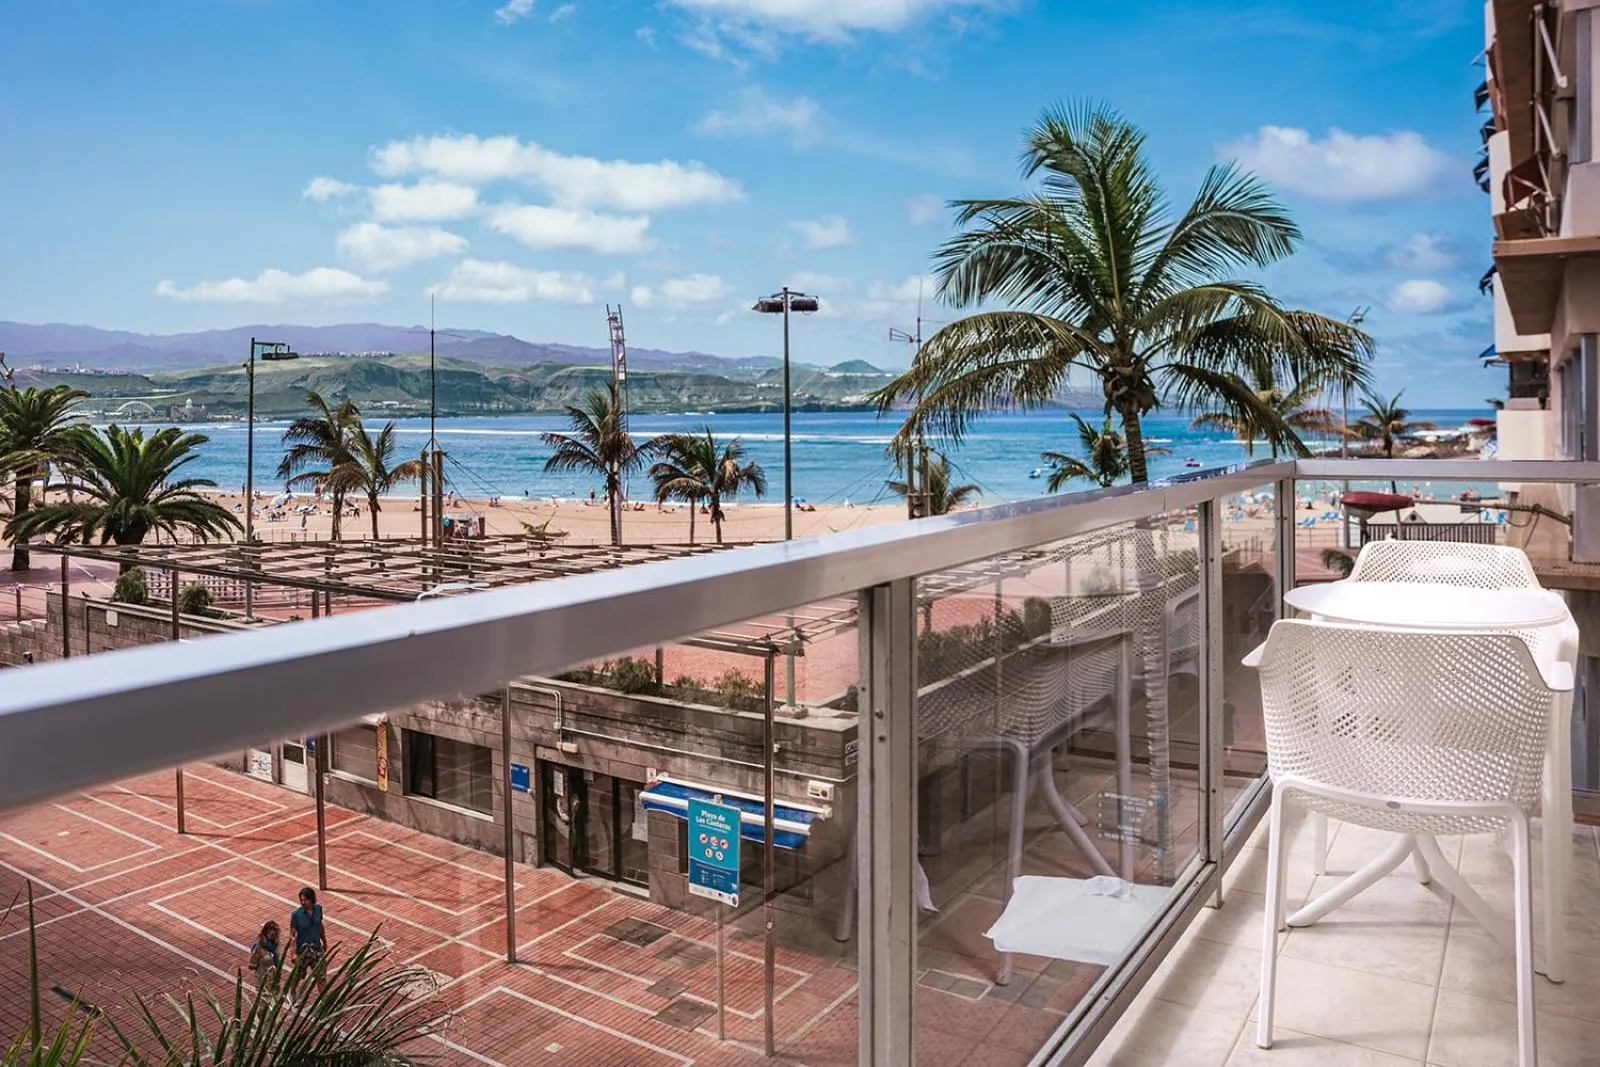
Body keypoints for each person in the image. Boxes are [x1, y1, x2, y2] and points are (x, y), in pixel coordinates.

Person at [289, 886, 326, 980]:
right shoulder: (296, 914)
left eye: (305, 900)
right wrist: (293, 953)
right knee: (298, 976)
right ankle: (292, 993)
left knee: (321, 976)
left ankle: (323, 994)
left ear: (311, 899)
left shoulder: (318, 909)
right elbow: (292, 935)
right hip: (302, 951)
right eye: (301, 900)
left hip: (316, 948)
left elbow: (320, 926)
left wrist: (324, 941)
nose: (302, 902)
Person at [247, 920, 282, 989]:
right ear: (266, 933)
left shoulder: (275, 945)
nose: (274, 936)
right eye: (272, 934)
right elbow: (252, 965)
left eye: (275, 934)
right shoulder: (259, 946)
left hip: (274, 980)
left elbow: (277, 963)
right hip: (262, 981)